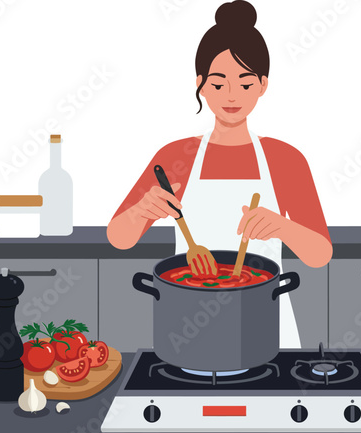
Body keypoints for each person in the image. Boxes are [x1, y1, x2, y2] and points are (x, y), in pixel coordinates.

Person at [107, 0, 332, 347]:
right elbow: (119, 237)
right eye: (217, 84)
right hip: (187, 323)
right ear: (200, 83)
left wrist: (282, 227)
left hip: (267, 324)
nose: (231, 96)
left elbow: (320, 255)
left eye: (244, 84)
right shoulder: (176, 156)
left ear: (262, 85)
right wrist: (142, 210)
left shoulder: (285, 159)